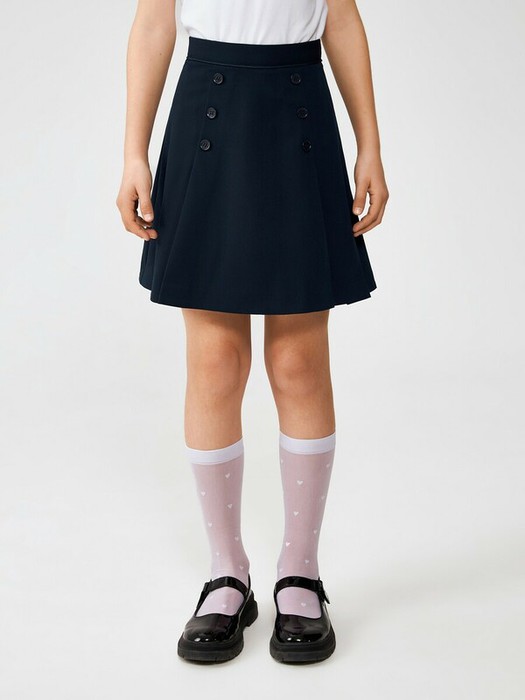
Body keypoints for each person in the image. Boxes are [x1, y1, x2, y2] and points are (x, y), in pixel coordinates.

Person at [116, 0, 388, 665]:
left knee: (298, 364)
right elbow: (153, 23)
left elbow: (341, 19)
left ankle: (300, 573)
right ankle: (227, 576)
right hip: (207, 113)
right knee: (214, 364)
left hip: (299, 112)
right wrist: (133, 153)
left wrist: (370, 146)